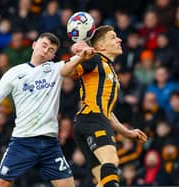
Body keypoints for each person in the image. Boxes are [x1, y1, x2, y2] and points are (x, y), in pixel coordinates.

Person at [0, 32, 93, 187]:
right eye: (44, 45)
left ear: (53, 56)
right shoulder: (14, 73)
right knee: (0, 185)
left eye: (51, 50)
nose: (46, 50)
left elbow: (80, 58)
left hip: (50, 143)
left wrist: (85, 50)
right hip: (23, 141)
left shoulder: (56, 69)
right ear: (34, 45)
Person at [60, 25, 147, 187]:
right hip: (92, 120)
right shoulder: (94, 59)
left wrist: (127, 132)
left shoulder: (108, 68)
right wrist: (80, 58)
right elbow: (64, 72)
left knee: (102, 177)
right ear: (100, 46)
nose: (119, 39)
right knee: (111, 160)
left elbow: (106, 112)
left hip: (89, 122)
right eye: (113, 37)